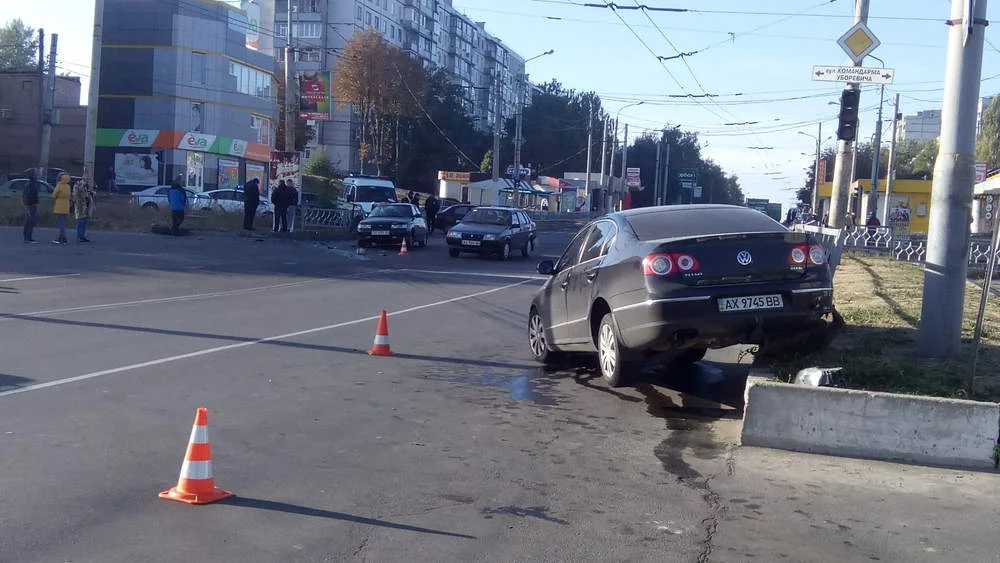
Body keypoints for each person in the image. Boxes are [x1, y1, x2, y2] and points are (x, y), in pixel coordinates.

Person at [72, 175, 96, 242]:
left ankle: (82, 236)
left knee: (85, 221)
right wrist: (76, 202)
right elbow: (75, 195)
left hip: (87, 205)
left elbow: (90, 195)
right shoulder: (78, 184)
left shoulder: (88, 186)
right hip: (80, 205)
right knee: (81, 221)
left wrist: (92, 193)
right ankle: (79, 236)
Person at [51, 173, 72, 244]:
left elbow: (54, 195)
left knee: (61, 224)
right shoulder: (68, 186)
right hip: (66, 205)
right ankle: (62, 237)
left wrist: (57, 197)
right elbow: (69, 196)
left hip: (59, 205)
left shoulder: (59, 185)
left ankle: (62, 238)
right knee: (63, 223)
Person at [22, 168, 40, 243]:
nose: (38, 174)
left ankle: (28, 237)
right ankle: (28, 238)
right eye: (36, 173)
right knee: (30, 221)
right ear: (32, 175)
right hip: (31, 205)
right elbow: (29, 195)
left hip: (31, 204)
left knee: (29, 221)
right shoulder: (30, 184)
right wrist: (32, 204)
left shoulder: (32, 183)